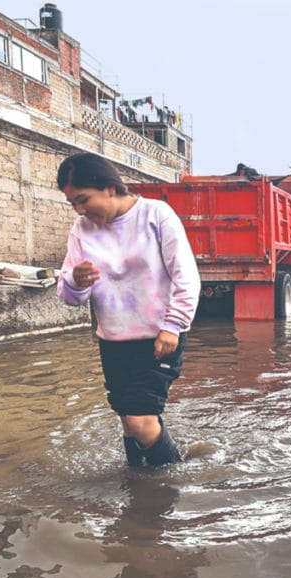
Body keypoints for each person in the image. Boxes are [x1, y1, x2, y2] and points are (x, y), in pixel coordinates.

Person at [56, 153, 200, 467]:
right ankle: (138, 483)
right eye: (73, 204)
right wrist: (76, 281)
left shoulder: (156, 214)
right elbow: (70, 295)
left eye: (83, 199)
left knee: (139, 421)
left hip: (159, 337)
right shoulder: (81, 230)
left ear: (109, 187)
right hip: (112, 340)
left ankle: (170, 480)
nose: (80, 210)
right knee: (128, 420)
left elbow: (186, 276)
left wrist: (173, 325)